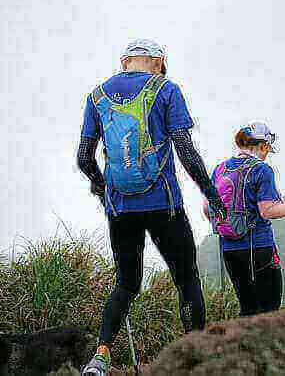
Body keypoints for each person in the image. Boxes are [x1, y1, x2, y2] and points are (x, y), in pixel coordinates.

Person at [77, 38, 226, 376]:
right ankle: (194, 358)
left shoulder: (97, 96)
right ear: (158, 62)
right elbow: (185, 151)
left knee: (126, 284)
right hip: (164, 205)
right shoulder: (166, 89)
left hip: (120, 209)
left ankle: (100, 356)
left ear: (124, 60)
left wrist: (103, 191)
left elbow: (84, 158)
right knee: (186, 279)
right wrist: (212, 195)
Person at [203, 122, 285, 317]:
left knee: (247, 307)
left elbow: (207, 209)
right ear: (263, 146)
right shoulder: (262, 170)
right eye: (268, 149)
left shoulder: (220, 169)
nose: (267, 154)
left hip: (230, 250)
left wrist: (230, 226)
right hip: (259, 247)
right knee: (269, 309)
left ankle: (241, 347)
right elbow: (267, 211)